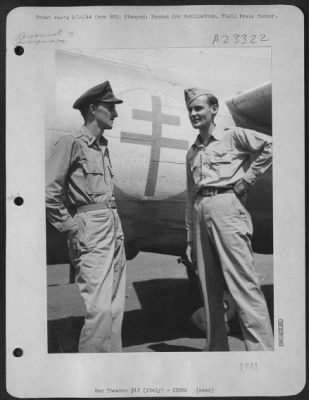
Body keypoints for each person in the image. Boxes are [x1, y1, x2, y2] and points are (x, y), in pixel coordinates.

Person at [184, 87, 274, 351]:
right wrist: (190, 238)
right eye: (190, 109)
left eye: (199, 108)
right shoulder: (192, 152)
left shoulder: (232, 136)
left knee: (243, 285)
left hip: (228, 207)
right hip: (201, 210)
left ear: (213, 110)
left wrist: (247, 180)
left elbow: (269, 146)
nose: (193, 113)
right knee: (208, 288)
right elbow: (190, 198)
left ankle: (262, 355)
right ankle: (217, 351)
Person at [46, 81, 126, 353]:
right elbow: (49, 191)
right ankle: (91, 376)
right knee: (100, 309)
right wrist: (70, 228)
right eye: (110, 108)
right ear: (93, 109)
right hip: (90, 227)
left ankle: (111, 370)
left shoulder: (102, 146)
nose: (115, 114)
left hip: (113, 225)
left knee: (115, 307)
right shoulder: (71, 142)